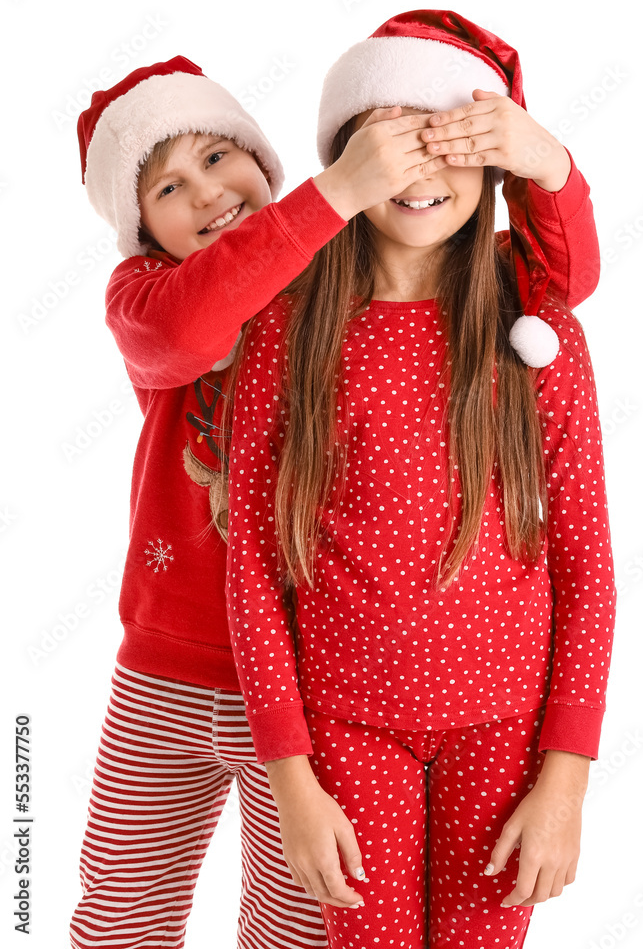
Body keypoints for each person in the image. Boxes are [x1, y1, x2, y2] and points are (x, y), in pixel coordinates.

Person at [225, 9, 616, 949]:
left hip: (505, 731)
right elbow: (251, 562)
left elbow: (587, 564)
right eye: (396, 144)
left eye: (449, 144)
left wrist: (564, 778)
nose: (422, 173)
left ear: (493, 166)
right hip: (346, 730)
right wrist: (291, 774)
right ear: (349, 164)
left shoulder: (537, 332)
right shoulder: (285, 330)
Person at [69, 55, 460, 949]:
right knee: (119, 908)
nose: (205, 192)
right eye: (168, 185)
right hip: (161, 670)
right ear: (143, 228)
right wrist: (334, 194)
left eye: (217, 156)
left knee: (299, 924)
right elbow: (186, 331)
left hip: (300, 677)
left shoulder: (338, 272)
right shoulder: (146, 297)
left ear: (259, 155)